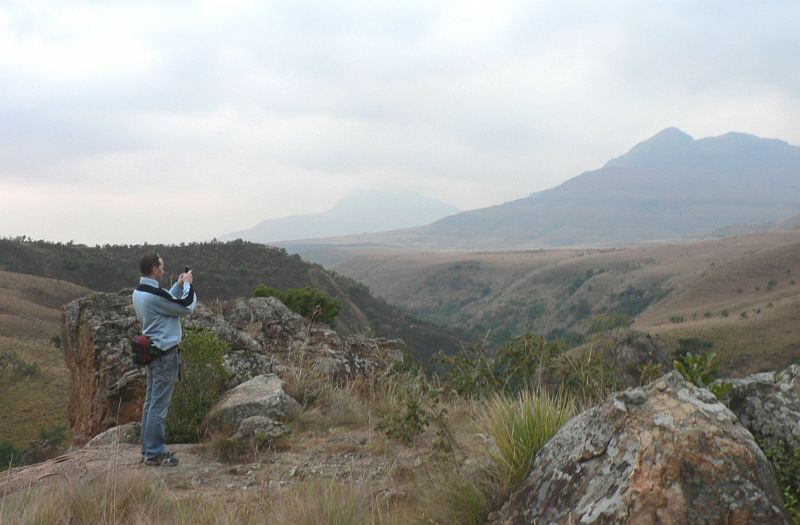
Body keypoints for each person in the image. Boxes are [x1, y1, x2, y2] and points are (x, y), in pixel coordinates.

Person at [132, 252, 197, 466]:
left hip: (152, 353)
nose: (164, 270)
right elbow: (185, 306)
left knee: (151, 403)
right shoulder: (153, 295)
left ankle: (148, 449)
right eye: (162, 267)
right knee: (159, 406)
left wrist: (176, 285)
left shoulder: (140, 292)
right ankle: (154, 453)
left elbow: (165, 302)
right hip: (165, 354)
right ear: (154, 269)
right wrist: (187, 285)